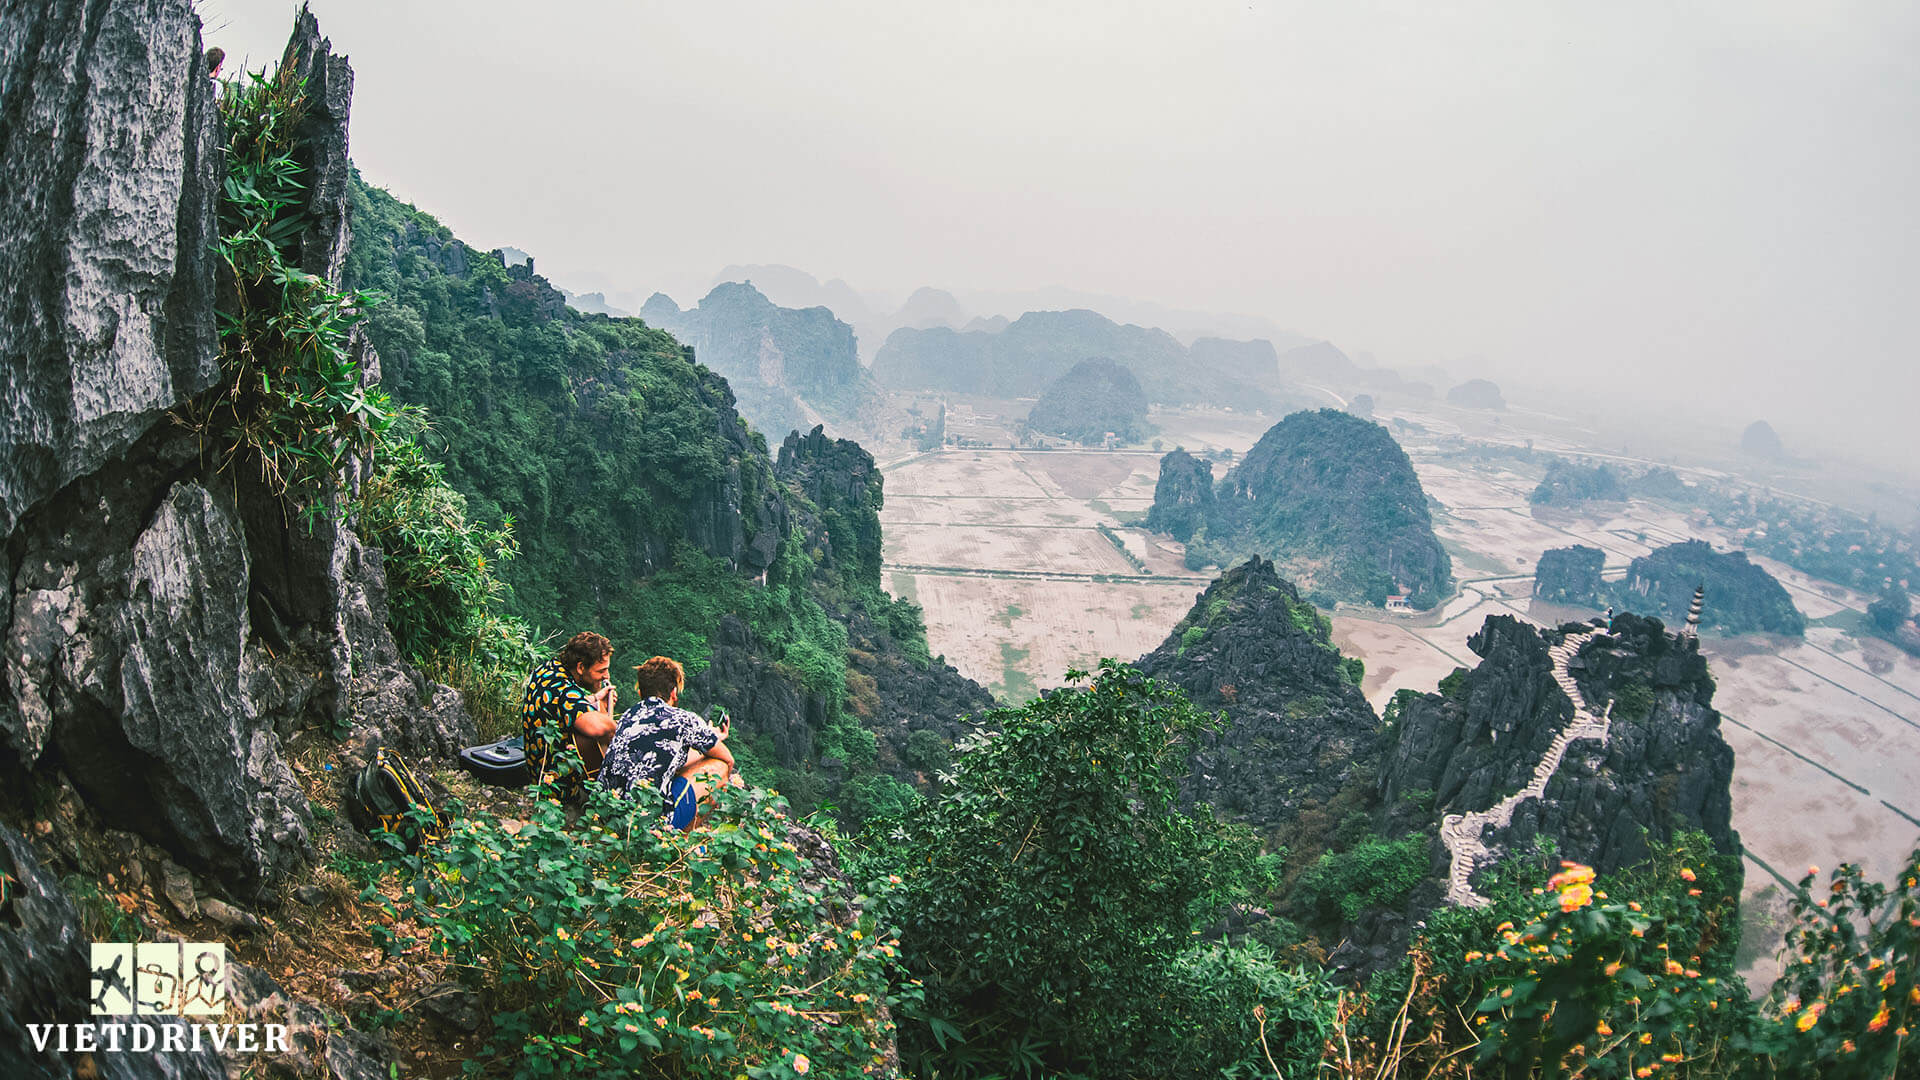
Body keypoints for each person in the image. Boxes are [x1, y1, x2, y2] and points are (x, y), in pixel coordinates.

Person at [599, 656, 742, 829]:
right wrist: (711, 742)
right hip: (647, 826)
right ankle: (682, 844)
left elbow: (669, 753)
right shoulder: (684, 719)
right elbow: (728, 759)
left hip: (607, 815)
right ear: (673, 692)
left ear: (640, 693)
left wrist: (712, 738)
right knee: (720, 766)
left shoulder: (628, 716)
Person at [521, 632, 619, 802]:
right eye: (601, 670)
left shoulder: (548, 670)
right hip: (558, 789)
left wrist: (595, 699)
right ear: (581, 667)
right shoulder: (566, 691)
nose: (607, 676)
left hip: (536, 770)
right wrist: (615, 726)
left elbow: (563, 706)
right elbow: (598, 728)